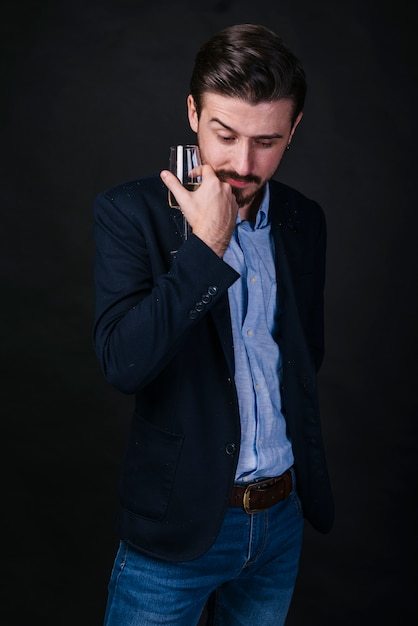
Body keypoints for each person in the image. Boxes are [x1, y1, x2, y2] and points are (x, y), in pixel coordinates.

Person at [93, 23, 334, 626]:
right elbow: (124, 363)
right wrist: (208, 245)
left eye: (268, 142)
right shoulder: (130, 214)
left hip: (279, 521)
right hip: (178, 527)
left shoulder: (304, 220)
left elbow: (302, 359)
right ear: (193, 112)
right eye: (224, 135)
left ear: (294, 129)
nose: (242, 164)